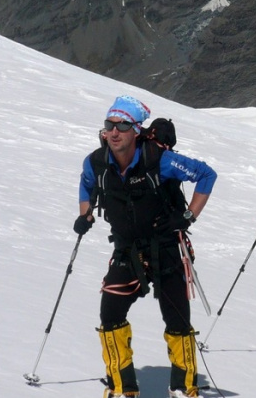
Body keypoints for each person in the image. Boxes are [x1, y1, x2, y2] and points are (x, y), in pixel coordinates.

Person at [74, 96, 218, 398]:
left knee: (177, 318)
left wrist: (187, 217)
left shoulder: (159, 159)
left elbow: (206, 175)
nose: (115, 132)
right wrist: (85, 214)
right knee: (110, 312)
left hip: (167, 248)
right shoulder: (97, 162)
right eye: (110, 125)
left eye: (123, 126)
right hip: (127, 250)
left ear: (136, 130)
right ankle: (121, 387)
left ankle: (183, 388)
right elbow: (86, 183)